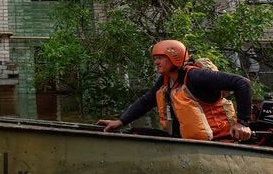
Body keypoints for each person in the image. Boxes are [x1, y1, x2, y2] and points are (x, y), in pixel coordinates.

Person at [97, 40, 253, 142]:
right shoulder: (167, 80)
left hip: (216, 142)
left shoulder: (195, 76)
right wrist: (120, 121)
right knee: (133, 134)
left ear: (175, 57)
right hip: (184, 141)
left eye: (160, 58)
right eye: (155, 58)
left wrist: (242, 123)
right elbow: (147, 101)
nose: (156, 62)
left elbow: (242, 83)